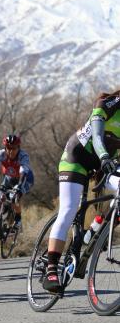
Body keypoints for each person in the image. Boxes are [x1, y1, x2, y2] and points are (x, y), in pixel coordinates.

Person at [43, 89, 120, 293]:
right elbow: (97, 137)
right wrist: (104, 157)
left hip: (106, 163)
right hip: (78, 156)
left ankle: (95, 232)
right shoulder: (108, 105)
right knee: (69, 209)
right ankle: (51, 269)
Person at [0, 134, 34, 243]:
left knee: (14, 197)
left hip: (24, 179)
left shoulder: (23, 156)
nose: (11, 151)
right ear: (5, 148)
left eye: (14, 148)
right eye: (9, 148)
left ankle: (18, 220)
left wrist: (19, 188)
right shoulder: (1, 154)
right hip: (9, 178)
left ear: (18, 148)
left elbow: (23, 173)